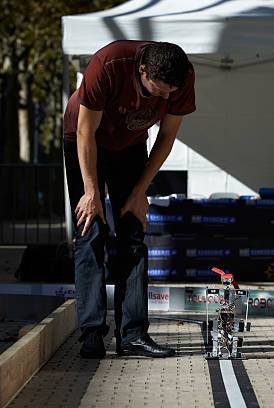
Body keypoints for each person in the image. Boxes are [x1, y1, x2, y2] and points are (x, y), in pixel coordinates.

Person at [63, 40, 195, 359]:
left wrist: (139, 193)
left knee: (133, 235)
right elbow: (85, 133)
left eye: (170, 92)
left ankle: (133, 334)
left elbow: (166, 138)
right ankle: (92, 334)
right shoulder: (107, 65)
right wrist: (92, 192)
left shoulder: (182, 76)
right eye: (158, 90)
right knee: (90, 229)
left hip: (131, 146)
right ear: (142, 71)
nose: (165, 97)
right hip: (83, 140)